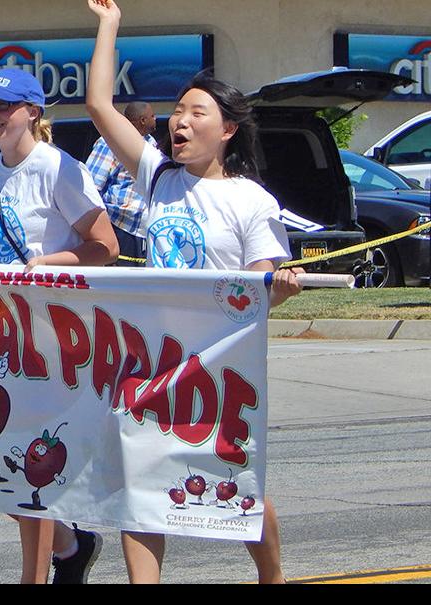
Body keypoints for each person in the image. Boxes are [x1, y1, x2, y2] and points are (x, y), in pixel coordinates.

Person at [85, 0, 302, 584]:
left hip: (220, 362)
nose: (180, 122)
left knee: (236, 479)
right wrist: (109, 25)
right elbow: (100, 105)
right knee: (142, 483)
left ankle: (271, 578)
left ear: (227, 129)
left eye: (196, 113)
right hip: (151, 359)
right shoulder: (156, 176)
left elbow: (263, 287)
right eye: (177, 111)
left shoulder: (250, 200)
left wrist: (277, 286)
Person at [0, 67, 117, 584]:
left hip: (53, 332)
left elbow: (106, 246)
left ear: (33, 112)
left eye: (1, 106)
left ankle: (41, 569)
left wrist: (56, 260)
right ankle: (70, 545)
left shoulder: (58, 168)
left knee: (25, 459)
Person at [85, 102, 158, 265]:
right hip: (119, 225)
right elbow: (91, 187)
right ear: (142, 121)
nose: (156, 118)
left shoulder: (151, 144)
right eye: (152, 116)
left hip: (143, 230)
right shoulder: (110, 142)